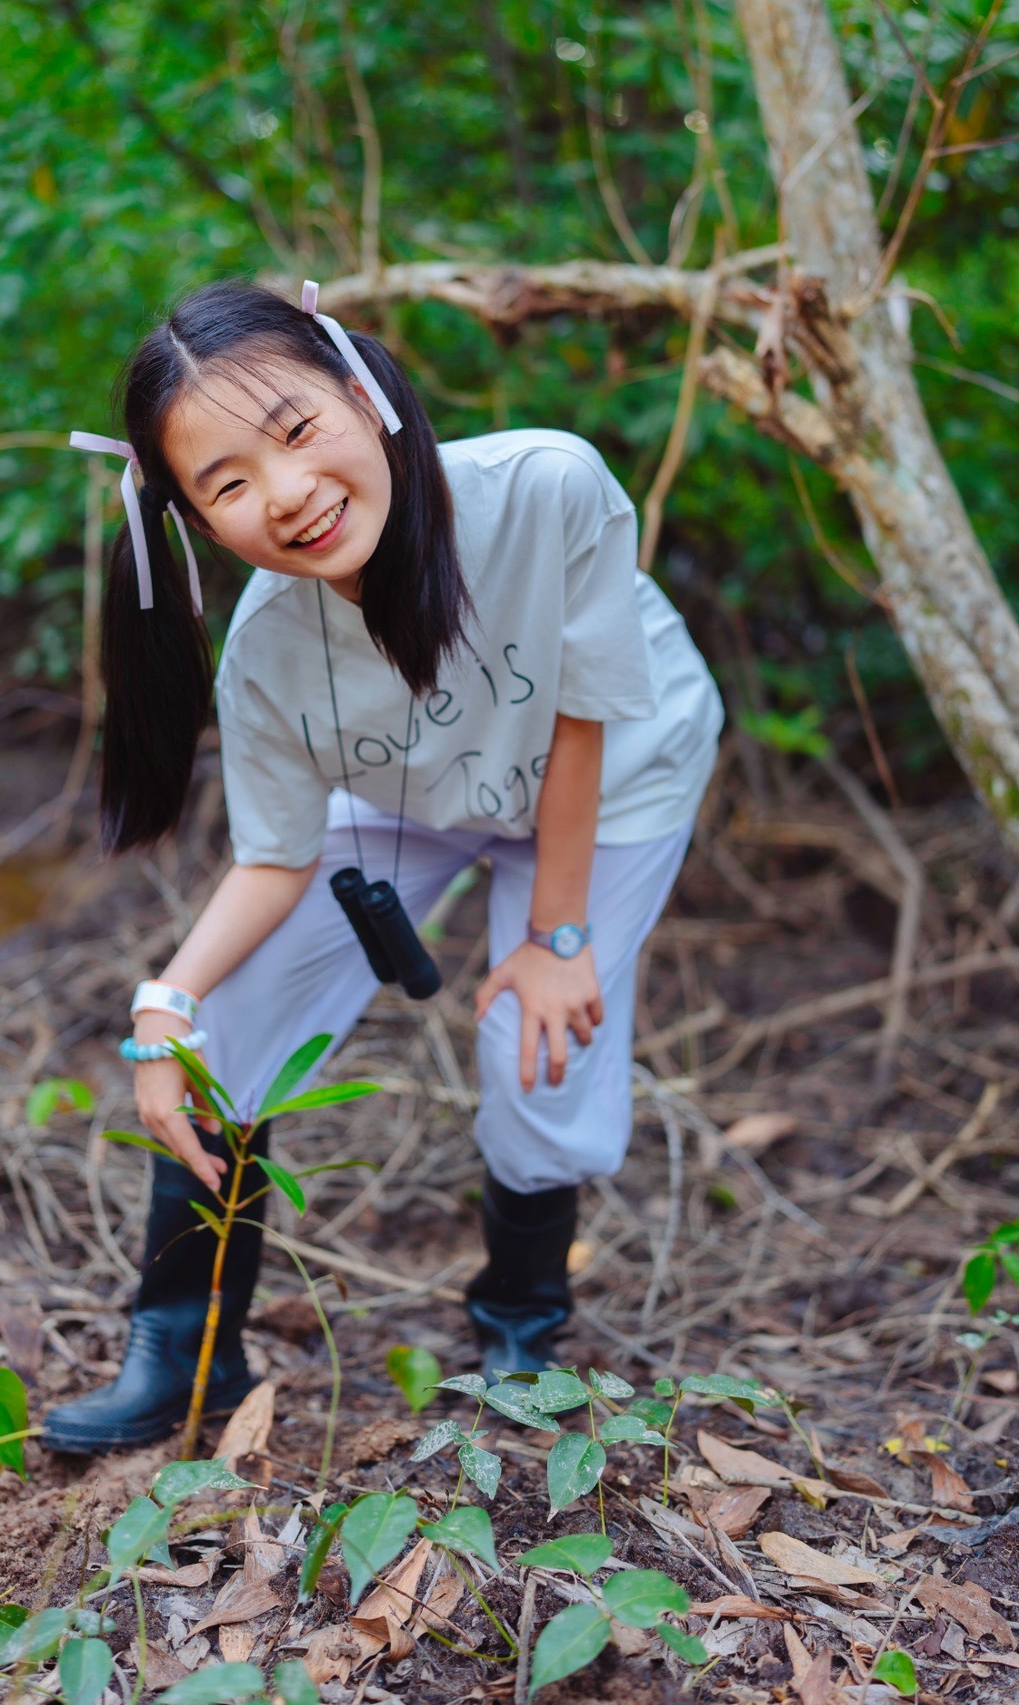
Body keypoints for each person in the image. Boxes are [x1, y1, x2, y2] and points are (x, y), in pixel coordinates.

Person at [41, 281, 723, 1453]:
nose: (287, 495)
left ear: (362, 392)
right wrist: (166, 1007)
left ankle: (519, 1327)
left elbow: (579, 714)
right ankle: (185, 1343)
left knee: (538, 1043)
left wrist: (557, 941)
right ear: (198, 525)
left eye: (297, 431)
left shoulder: (542, 488)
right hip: (412, 790)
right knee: (235, 1018)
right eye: (228, 483)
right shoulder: (264, 648)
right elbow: (271, 861)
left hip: (612, 773)